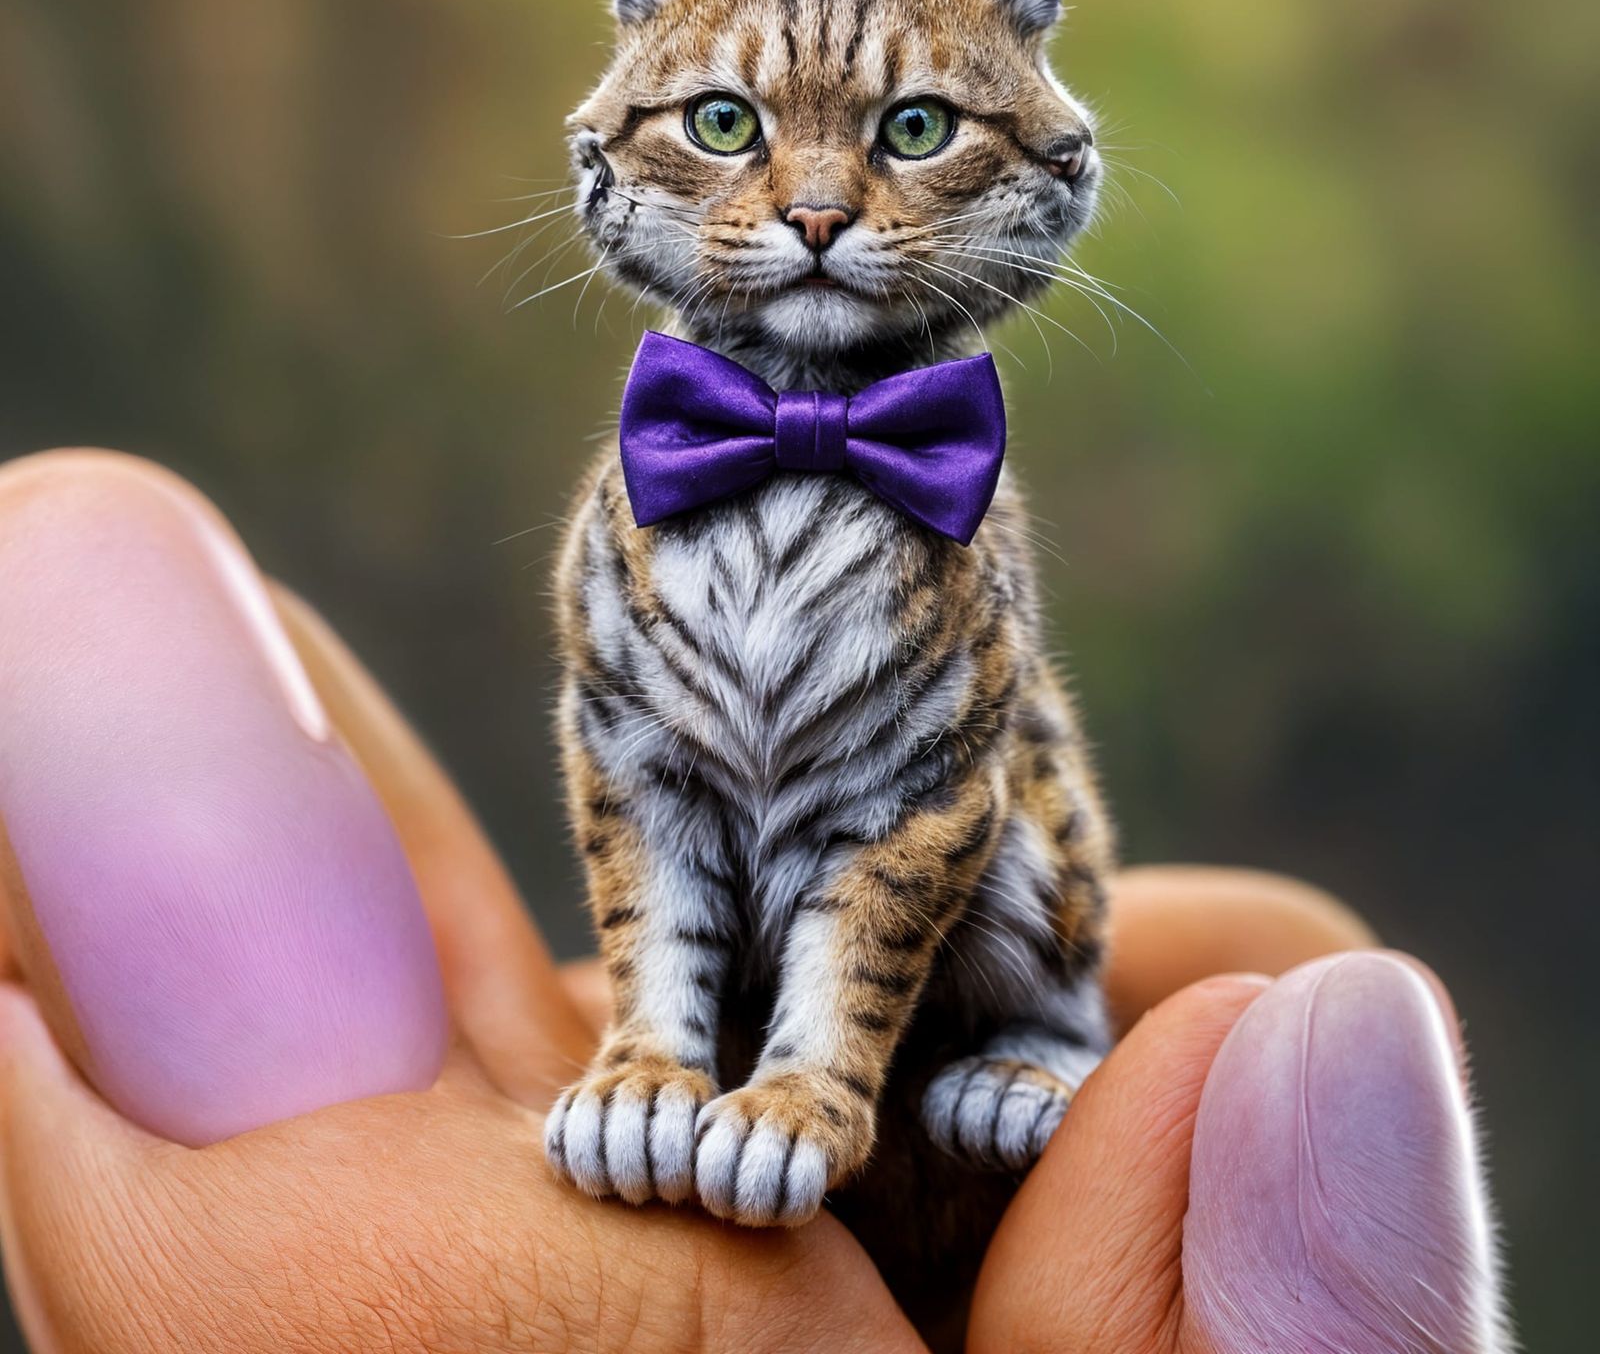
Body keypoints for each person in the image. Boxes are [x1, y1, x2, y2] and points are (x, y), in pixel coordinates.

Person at [0, 452, 1508, 1352]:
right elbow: (632, 782)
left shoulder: (949, 509)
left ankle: (1012, 1037)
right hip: (727, 1039)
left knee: (992, 803)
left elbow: (934, 816)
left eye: (907, 132)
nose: (815, 206)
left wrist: (825, 1083)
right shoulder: (638, 504)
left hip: (919, 1015)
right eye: (728, 125)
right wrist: (658, 1046)